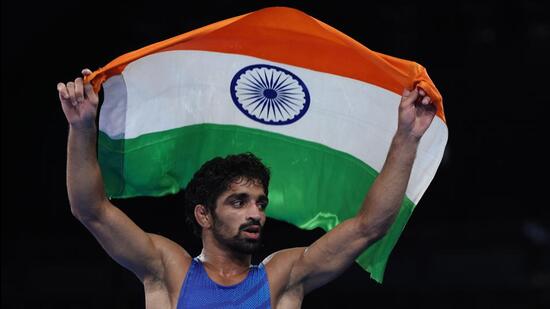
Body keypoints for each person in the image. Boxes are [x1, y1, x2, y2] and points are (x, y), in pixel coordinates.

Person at [57, 68, 436, 308]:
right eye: (239, 201)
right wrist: (81, 128)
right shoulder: (167, 271)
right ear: (203, 214)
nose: (256, 212)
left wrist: (407, 137)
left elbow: (370, 225)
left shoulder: (283, 278)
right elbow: (90, 209)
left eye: (260, 202)